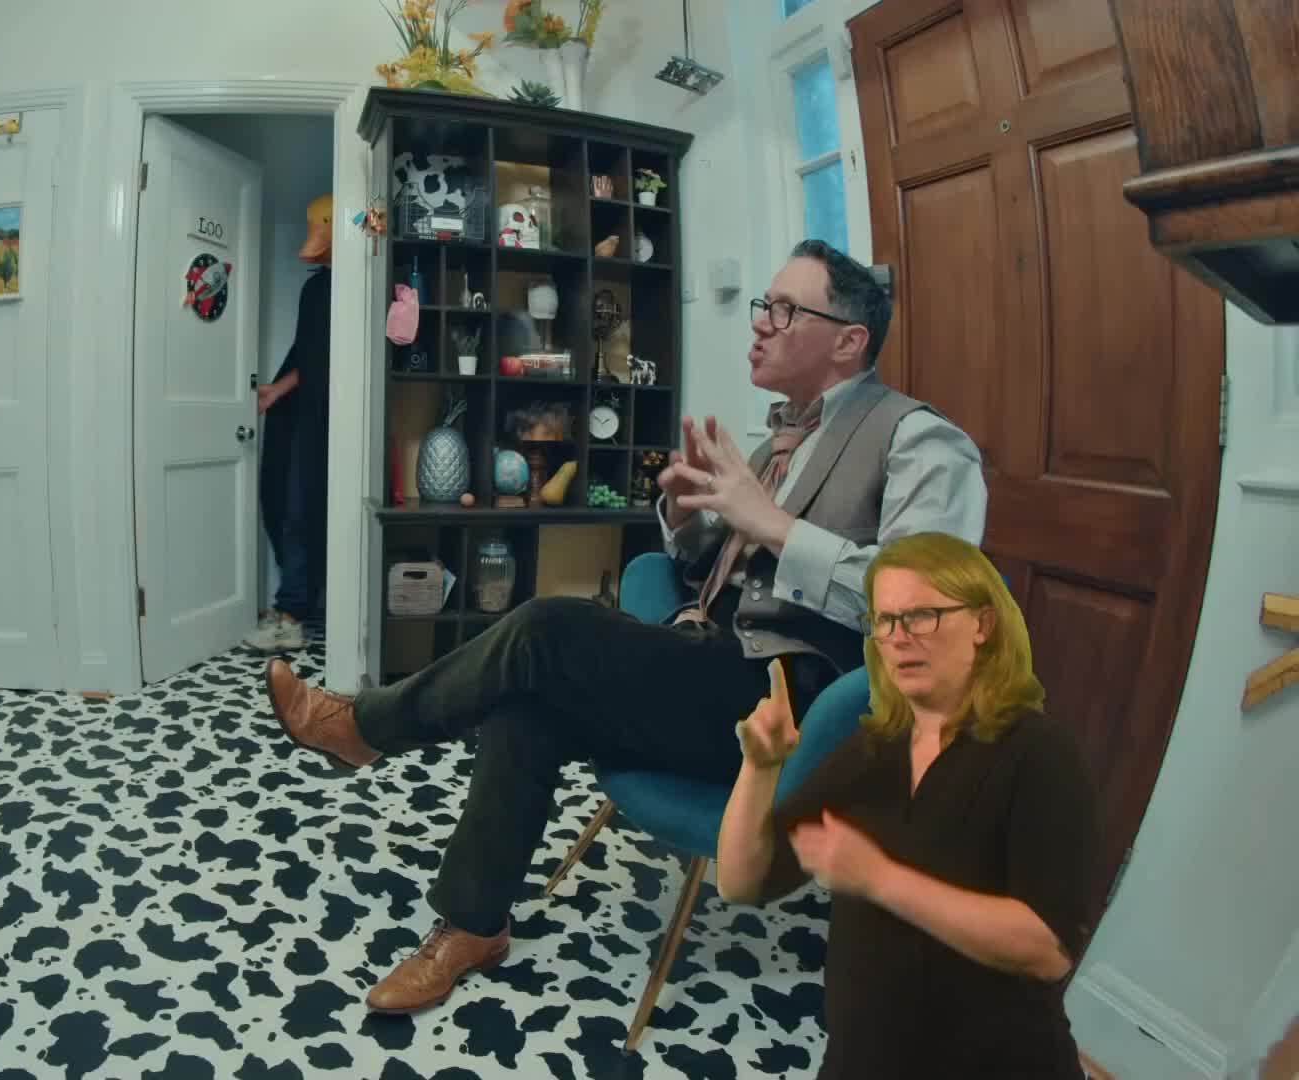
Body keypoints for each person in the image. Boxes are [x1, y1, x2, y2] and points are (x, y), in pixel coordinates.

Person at [264, 239, 988, 1013]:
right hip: (710, 665)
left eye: (785, 310)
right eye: (764, 305)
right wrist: (682, 512)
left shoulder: (922, 441)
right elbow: (709, 568)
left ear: (849, 341)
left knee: (547, 630)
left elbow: (928, 611)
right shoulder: (779, 442)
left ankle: (366, 727)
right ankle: (474, 924)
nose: (760, 323)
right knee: (529, 699)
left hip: (791, 711)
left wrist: (771, 523)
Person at [717, 531, 1099, 1078]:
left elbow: (1046, 948)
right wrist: (760, 767)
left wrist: (878, 878)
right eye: (885, 620)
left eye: (921, 616)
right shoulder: (871, 750)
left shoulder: (1041, 753)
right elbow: (740, 882)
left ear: (983, 625)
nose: (898, 638)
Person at [246, 193, 333, 654]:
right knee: (291, 502)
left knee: (307, 509)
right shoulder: (316, 290)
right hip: (308, 416)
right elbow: (308, 356)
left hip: (332, 420)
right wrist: (276, 392)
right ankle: (294, 609)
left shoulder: (353, 287)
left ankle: (294, 615)